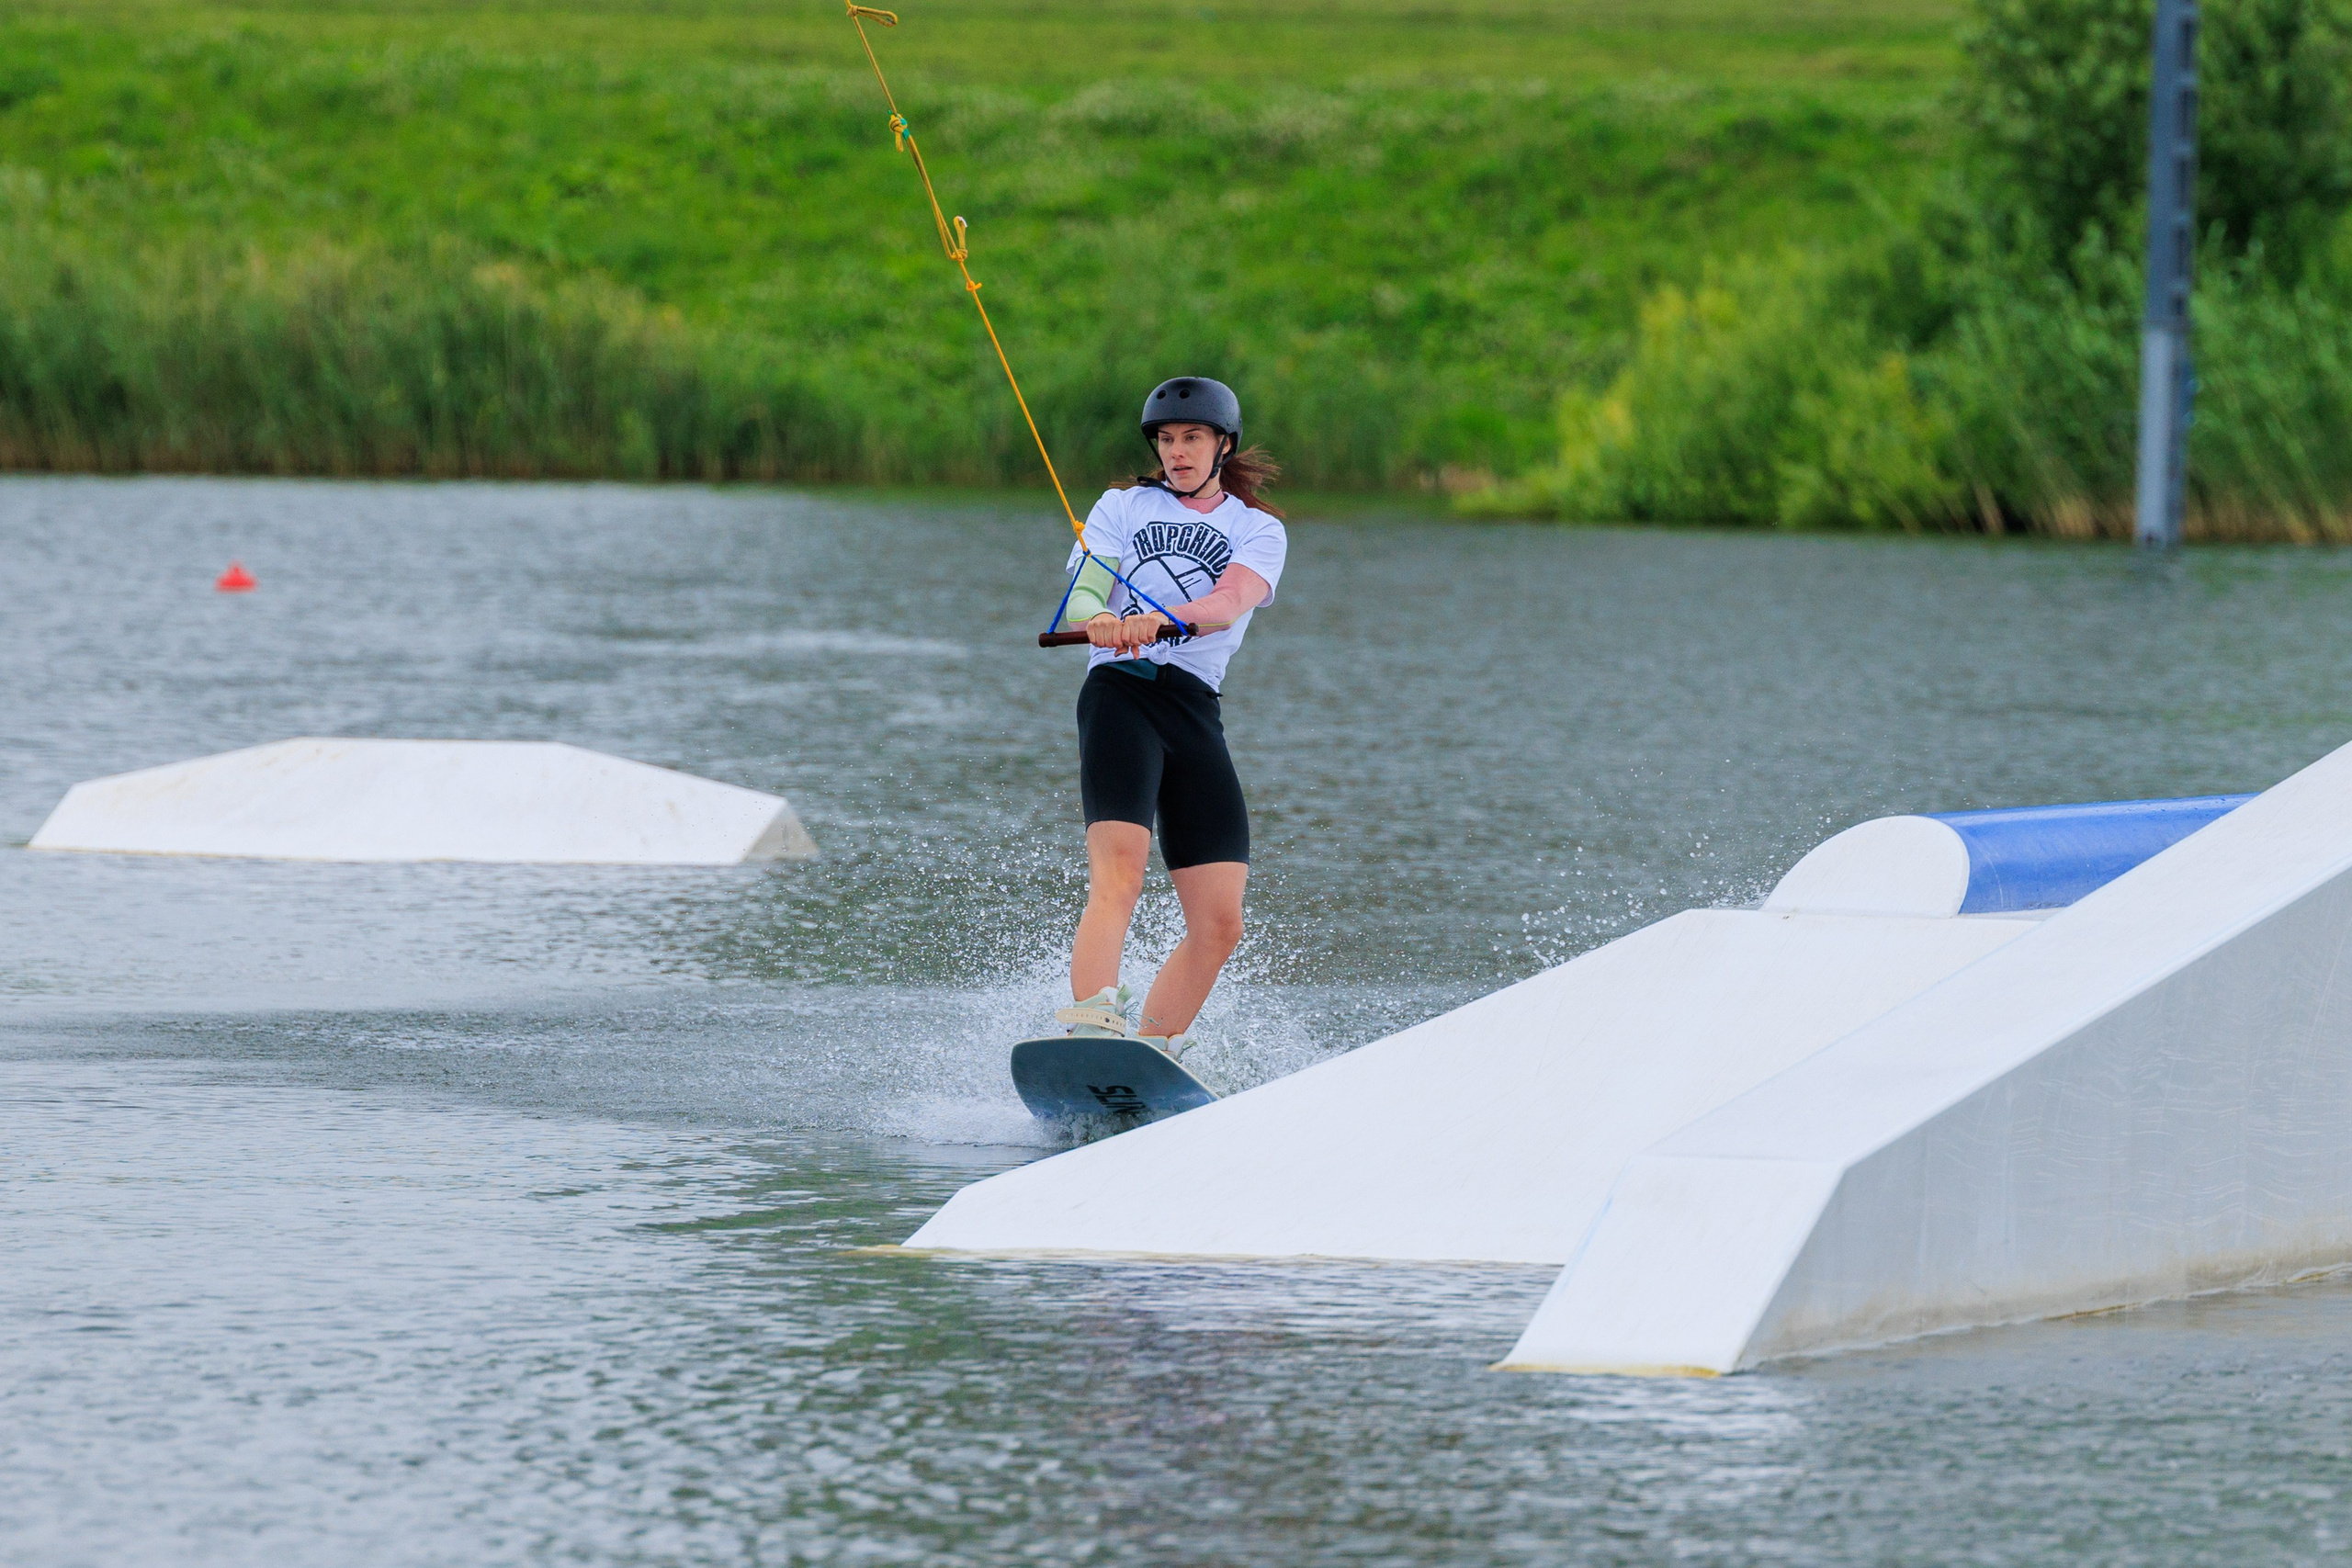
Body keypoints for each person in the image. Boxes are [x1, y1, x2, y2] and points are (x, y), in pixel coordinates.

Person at [1049, 376, 1287, 1058]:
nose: (1176, 452)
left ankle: (1151, 1052)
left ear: (1223, 446)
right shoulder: (1122, 506)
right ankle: (1092, 1026)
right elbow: (1084, 593)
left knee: (1221, 921)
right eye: (1166, 439)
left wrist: (1162, 618)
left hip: (1192, 709)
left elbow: (1228, 602)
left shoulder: (1257, 529)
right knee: (1120, 874)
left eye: (1192, 438)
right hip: (1120, 693)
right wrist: (1099, 618)